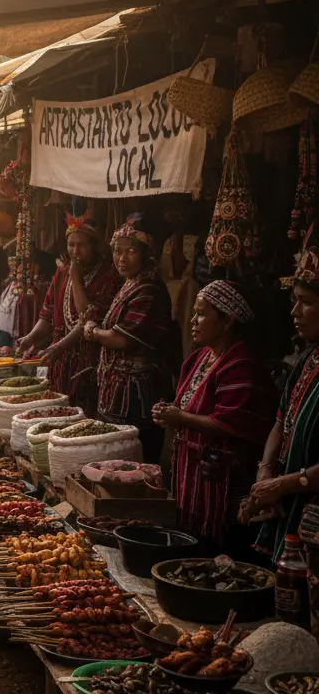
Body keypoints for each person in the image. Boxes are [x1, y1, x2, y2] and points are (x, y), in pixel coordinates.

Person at [150, 281, 273, 546]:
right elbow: (185, 404)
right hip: (191, 476)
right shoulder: (199, 358)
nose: (192, 321)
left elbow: (231, 421)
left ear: (227, 321)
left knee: (220, 546)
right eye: (194, 313)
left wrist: (180, 417)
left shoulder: (241, 365)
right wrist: (167, 412)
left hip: (223, 481)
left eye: (201, 314)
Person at [244, 244, 319, 560]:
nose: (295, 312)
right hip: (289, 505)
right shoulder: (309, 359)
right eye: (294, 301)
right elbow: (281, 420)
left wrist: (284, 485)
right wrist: (266, 472)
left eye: (306, 302)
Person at [82, 215, 177, 462]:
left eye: (130, 252)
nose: (121, 258)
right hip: (118, 390)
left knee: (135, 456)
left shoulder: (148, 289)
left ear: (146, 255)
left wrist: (93, 332)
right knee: (114, 455)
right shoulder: (131, 283)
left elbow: (121, 338)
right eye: (117, 251)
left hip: (137, 394)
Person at [17, 212, 123, 415]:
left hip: (89, 361)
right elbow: (47, 315)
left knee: (84, 415)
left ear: (94, 246)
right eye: (71, 245)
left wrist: (75, 277)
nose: (75, 251)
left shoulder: (109, 276)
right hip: (61, 360)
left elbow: (88, 319)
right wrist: (30, 338)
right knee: (60, 413)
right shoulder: (61, 273)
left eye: (81, 245)